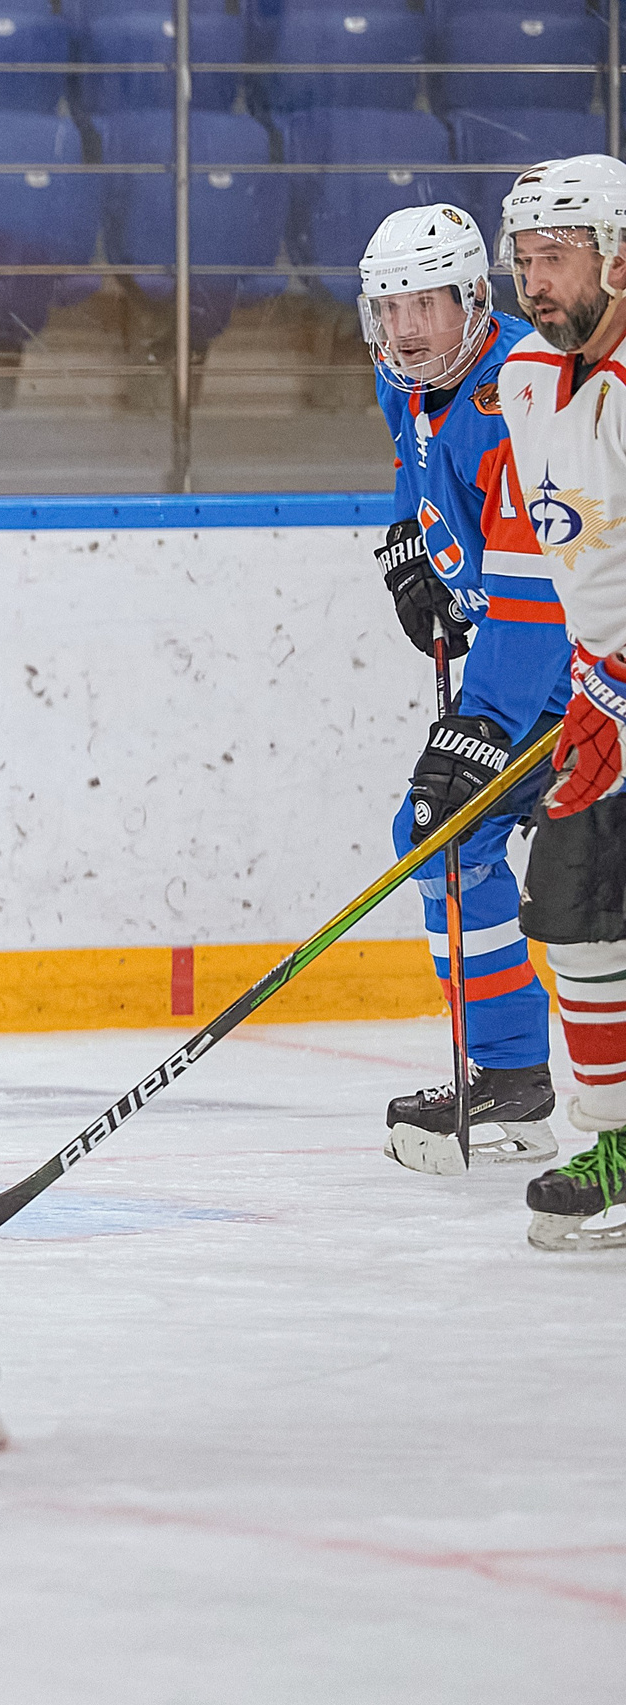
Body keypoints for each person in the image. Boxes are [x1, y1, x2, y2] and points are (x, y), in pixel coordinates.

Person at [357, 204, 570, 1172]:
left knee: (449, 835)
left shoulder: (518, 399)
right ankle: (513, 1077)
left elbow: (535, 599)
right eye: (388, 307)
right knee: (445, 839)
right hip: (539, 663)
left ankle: (518, 1074)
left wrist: (480, 723)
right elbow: (412, 461)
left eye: (424, 306)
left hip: (578, 671)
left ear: (473, 300)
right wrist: (410, 550)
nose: (403, 330)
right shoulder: (410, 380)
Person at [492, 155, 626, 1251]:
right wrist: (586, 688)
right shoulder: (524, 379)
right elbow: (574, 559)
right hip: (605, 692)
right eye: (524, 258)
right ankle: (613, 1139)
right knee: (575, 914)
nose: (536, 280)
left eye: (557, 256)